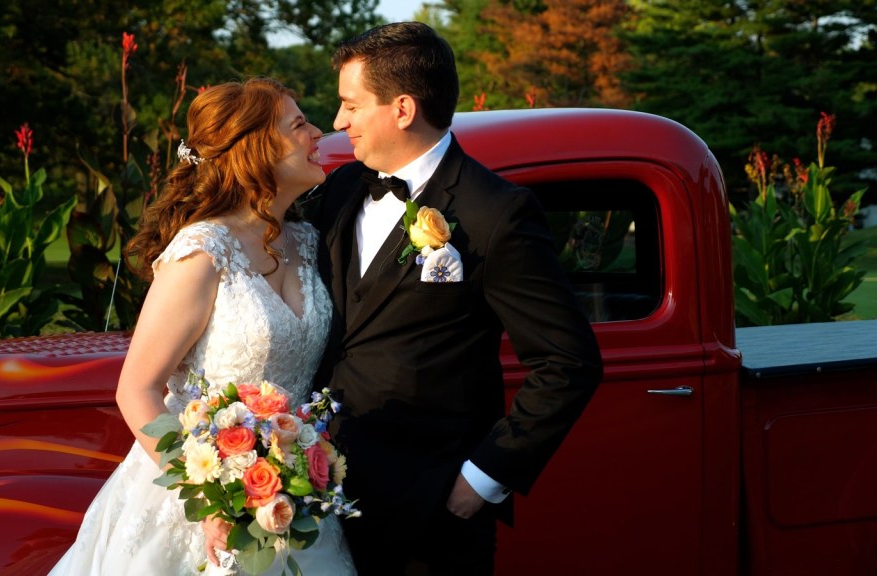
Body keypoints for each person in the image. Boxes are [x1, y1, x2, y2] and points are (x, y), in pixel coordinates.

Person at [308, 22, 604, 575]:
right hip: (321, 497)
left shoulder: (495, 212)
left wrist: (481, 480)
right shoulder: (342, 189)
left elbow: (569, 361)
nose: (339, 121)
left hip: (432, 515)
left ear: (402, 109)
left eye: (351, 105)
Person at [49, 77, 356, 575]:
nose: (318, 133)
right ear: (255, 148)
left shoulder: (307, 241)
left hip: (292, 495)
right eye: (299, 124)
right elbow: (136, 389)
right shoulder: (201, 252)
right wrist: (208, 497)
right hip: (199, 497)